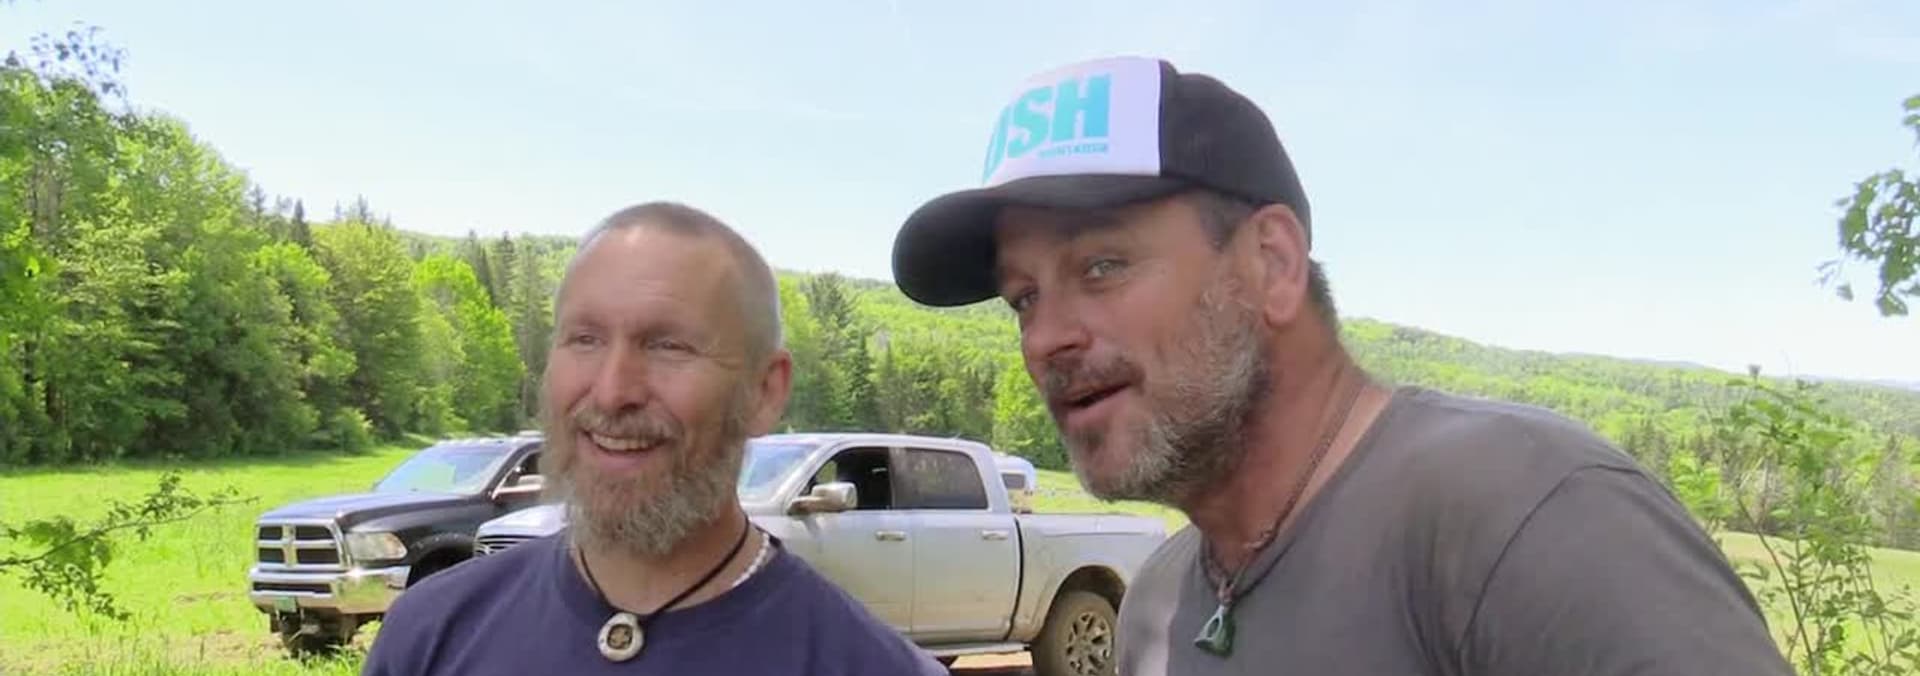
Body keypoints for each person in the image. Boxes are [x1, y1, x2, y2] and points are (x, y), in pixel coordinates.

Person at [888, 55, 1794, 675]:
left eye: (1101, 266)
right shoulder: (1156, 606)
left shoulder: (1527, 521)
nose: (1044, 338)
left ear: (1272, 264)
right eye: (1024, 298)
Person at [364, 202, 948, 676]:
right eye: (585, 339)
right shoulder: (431, 634)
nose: (612, 391)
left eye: (668, 346)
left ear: (764, 391)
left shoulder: (867, 665)